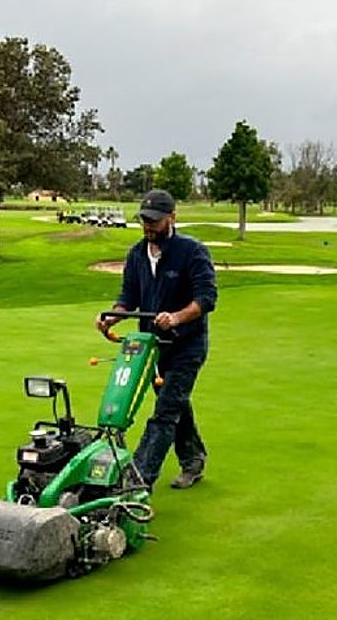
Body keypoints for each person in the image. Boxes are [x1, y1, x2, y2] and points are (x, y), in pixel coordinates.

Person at [95, 188, 217, 490]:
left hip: (186, 345)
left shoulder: (192, 251)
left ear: (172, 218)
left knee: (164, 413)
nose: (149, 226)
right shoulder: (137, 254)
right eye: (145, 220)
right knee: (174, 404)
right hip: (151, 348)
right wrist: (113, 316)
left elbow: (206, 298)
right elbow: (129, 297)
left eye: (155, 221)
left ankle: (137, 481)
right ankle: (193, 459)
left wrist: (176, 317)